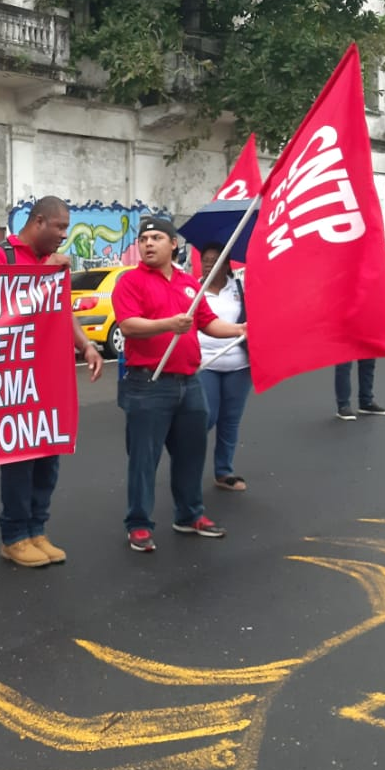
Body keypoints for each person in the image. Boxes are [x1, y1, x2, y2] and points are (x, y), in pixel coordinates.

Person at [0, 196, 104, 568]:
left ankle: (37, 529)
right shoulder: (0, 258)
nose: (65, 235)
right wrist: (46, 269)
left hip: (52, 375)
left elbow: (62, 313)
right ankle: (14, 535)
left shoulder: (54, 266)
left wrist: (87, 346)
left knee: (50, 453)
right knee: (20, 459)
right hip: (14, 380)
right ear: (38, 222)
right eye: (60, 227)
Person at [112, 217, 246, 553]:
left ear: (173, 244)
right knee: (144, 459)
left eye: (157, 237)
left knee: (191, 455)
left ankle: (189, 515)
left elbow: (209, 324)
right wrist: (168, 324)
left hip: (190, 382)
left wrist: (241, 329)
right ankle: (139, 524)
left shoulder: (189, 284)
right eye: (143, 239)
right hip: (148, 384)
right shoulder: (130, 282)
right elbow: (128, 326)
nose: (148, 244)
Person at [196, 243, 252, 492]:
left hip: (239, 365)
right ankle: (189, 467)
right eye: (205, 260)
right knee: (206, 417)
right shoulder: (193, 289)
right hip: (204, 363)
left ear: (226, 264)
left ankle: (223, 471)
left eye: (213, 260)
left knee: (230, 420)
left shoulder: (239, 289)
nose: (207, 264)